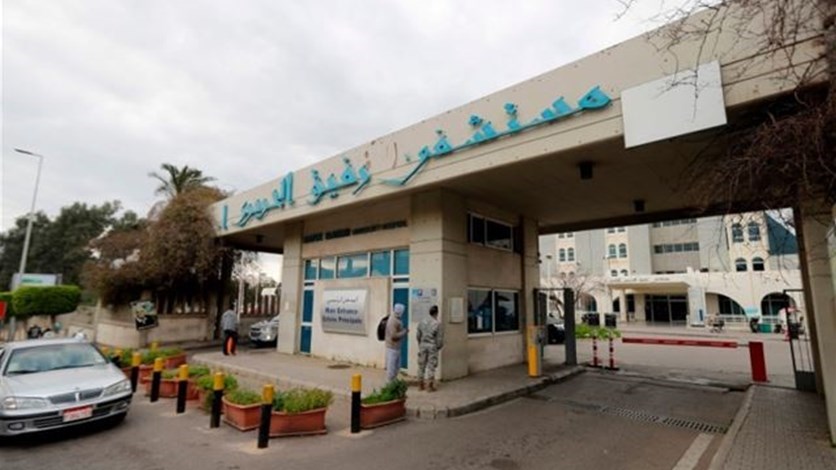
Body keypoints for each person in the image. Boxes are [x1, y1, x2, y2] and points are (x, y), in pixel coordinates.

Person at [416, 305, 444, 392]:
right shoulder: (437, 324)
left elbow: (418, 335)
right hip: (432, 346)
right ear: (436, 313)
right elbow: (439, 338)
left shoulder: (422, 322)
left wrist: (420, 344)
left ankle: (420, 385)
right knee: (431, 366)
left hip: (423, 345)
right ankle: (429, 386)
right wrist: (438, 347)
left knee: (421, 365)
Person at [384, 303, 408, 382]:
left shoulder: (398, 319)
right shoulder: (393, 321)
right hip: (392, 348)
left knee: (397, 367)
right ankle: (389, 384)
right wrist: (404, 332)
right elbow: (393, 336)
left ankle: (393, 382)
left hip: (397, 347)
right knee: (391, 368)